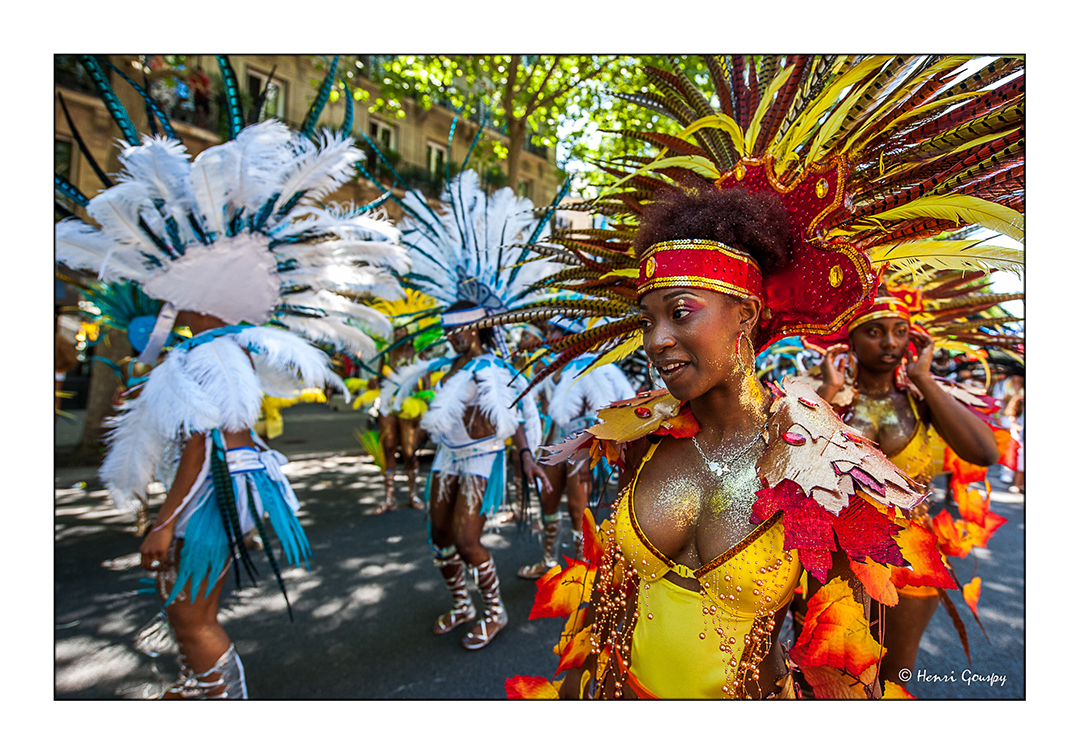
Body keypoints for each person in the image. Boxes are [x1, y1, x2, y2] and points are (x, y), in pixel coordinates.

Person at [502, 54, 1023, 700]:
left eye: (680, 313)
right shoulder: (637, 435)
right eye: (648, 319)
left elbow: (844, 653)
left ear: (745, 313)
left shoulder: (824, 464)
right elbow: (609, 603)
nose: (657, 339)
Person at [55, 56, 408, 697]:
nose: (163, 300)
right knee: (188, 606)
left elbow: (204, 444)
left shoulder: (204, 353)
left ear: (197, 290)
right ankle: (201, 689)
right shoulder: (219, 347)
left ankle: (223, 699)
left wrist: (164, 523)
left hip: (213, 492)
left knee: (192, 616)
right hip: (229, 490)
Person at [815, 292, 1000, 688]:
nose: (890, 343)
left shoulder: (920, 401)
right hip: (835, 556)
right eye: (875, 332)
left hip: (910, 557)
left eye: (900, 332)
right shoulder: (829, 399)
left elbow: (984, 452)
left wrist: (923, 378)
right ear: (849, 339)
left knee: (895, 680)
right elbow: (788, 459)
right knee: (831, 681)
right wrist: (827, 392)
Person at [421, 301, 551, 649]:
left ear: (479, 327)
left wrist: (525, 455)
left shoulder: (492, 366)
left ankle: (494, 612)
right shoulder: (450, 366)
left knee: (466, 541)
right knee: (439, 536)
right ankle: (462, 606)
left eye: (460, 328)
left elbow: (512, 415)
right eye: (448, 330)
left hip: (482, 457)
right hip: (447, 456)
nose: (453, 336)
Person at [517, 319, 636, 579]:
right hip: (554, 443)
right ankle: (547, 560)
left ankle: (580, 566)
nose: (549, 336)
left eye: (555, 332)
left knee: (576, 508)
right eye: (548, 331)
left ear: (570, 335)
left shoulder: (590, 367)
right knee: (547, 502)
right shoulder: (550, 368)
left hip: (581, 448)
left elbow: (614, 402)